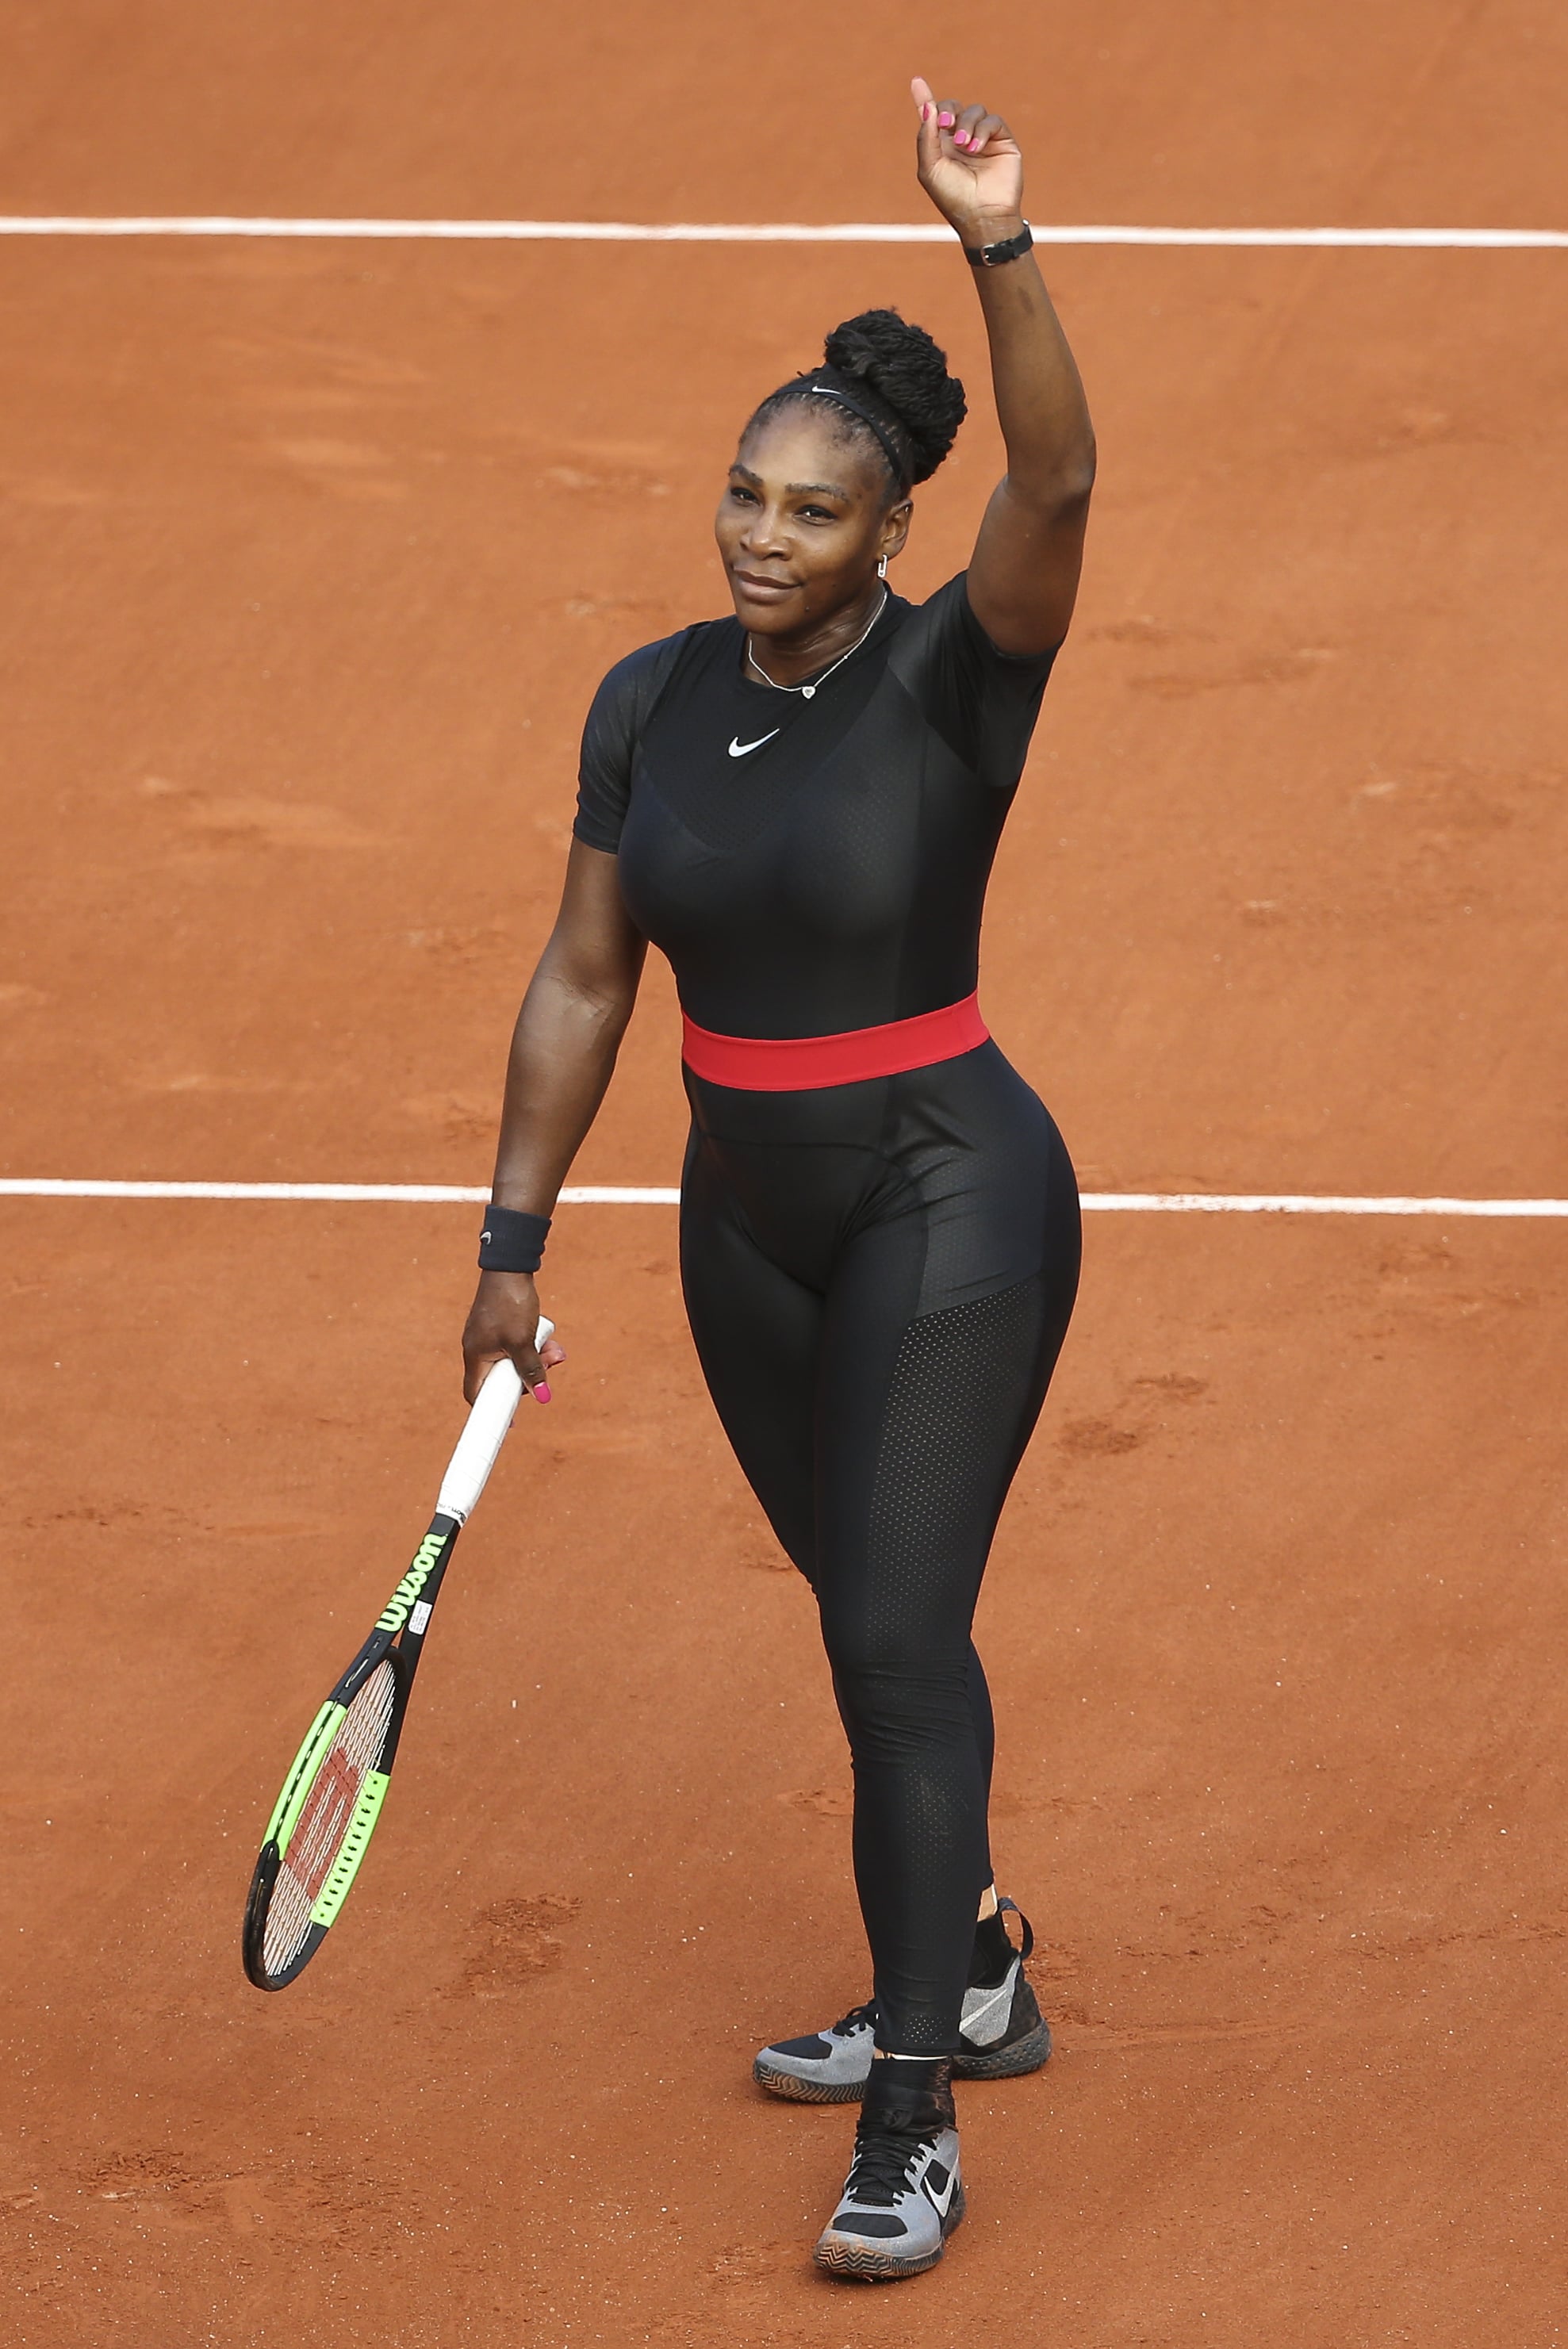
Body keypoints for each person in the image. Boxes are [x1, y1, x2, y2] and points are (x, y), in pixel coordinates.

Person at [462, 75, 1095, 2282]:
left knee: (901, 1633)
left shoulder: (950, 677)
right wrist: (508, 1245)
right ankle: (978, 1953)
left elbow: (1062, 471)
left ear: (886, 537)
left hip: (948, 1193)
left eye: (812, 510)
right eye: (742, 492)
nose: (759, 534)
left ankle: (917, 2102)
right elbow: (579, 975)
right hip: (738, 1214)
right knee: (858, 1616)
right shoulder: (645, 700)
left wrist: (990, 240)